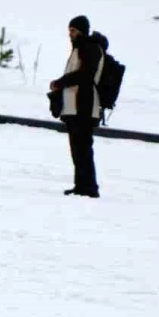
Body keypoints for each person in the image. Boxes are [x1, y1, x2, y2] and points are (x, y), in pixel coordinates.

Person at [49, 15, 103, 198]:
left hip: (84, 106)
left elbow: (85, 75)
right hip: (75, 106)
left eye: (72, 31)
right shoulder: (79, 49)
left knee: (83, 148)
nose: (70, 35)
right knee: (77, 148)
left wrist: (61, 82)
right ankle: (81, 185)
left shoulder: (90, 48)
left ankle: (89, 187)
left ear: (81, 31)